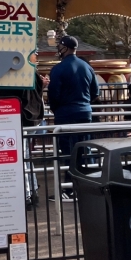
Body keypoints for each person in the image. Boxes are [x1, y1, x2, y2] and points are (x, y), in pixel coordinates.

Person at [48, 35, 99, 198]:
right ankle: (87, 187)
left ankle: (69, 189)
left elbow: (53, 95)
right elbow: (95, 92)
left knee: (67, 152)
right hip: (85, 112)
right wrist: (84, 103)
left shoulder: (58, 68)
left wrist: (58, 109)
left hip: (65, 114)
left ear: (64, 47)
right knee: (84, 149)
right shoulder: (86, 67)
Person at [0, 55, 46, 208]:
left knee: (20, 159)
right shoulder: (34, 73)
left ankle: (26, 195)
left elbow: (3, 95)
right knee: (26, 156)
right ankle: (33, 190)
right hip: (34, 118)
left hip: (20, 119)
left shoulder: (12, 75)